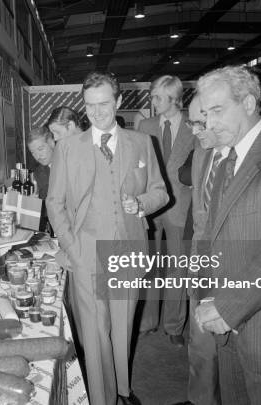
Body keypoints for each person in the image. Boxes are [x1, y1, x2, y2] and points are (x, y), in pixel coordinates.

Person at [46, 71, 168, 405]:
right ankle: (102, 399)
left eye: (104, 103)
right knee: (96, 333)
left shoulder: (142, 143)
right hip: (85, 251)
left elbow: (161, 192)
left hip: (127, 249)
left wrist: (142, 203)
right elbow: (54, 203)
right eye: (89, 105)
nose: (97, 112)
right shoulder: (68, 148)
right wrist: (72, 247)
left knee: (122, 326)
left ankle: (123, 391)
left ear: (118, 101)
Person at [194, 65, 261, 404]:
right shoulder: (227, 157)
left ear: (249, 103)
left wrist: (225, 307)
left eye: (217, 111)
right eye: (205, 113)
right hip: (228, 323)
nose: (209, 124)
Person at [137, 75, 194, 346]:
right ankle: (147, 322)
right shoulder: (145, 126)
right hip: (150, 207)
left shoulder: (193, 127)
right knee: (148, 266)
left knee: (177, 269)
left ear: (175, 99)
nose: (153, 101)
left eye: (159, 97)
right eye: (153, 96)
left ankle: (174, 326)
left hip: (181, 209)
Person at [182, 95, 225, 405]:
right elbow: (200, 216)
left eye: (200, 122)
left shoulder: (252, 155)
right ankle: (200, 400)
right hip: (202, 260)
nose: (194, 130)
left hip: (235, 268)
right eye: (191, 122)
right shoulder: (201, 153)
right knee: (199, 341)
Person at [26, 126, 55, 199]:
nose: (37, 156)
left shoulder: (69, 165)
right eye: (33, 152)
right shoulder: (38, 173)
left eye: (40, 149)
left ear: (51, 143)